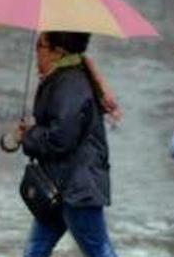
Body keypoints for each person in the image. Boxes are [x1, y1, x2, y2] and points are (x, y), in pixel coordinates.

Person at [13, 31, 120, 257]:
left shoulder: (70, 84)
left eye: (40, 46)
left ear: (57, 52)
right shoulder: (62, 79)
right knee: (35, 250)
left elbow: (61, 138)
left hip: (76, 188)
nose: (36, 53)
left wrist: (30, 135)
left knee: (99, 250)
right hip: (59, 185)